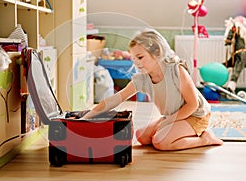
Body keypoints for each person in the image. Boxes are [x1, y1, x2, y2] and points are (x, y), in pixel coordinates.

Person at [81, 29, 223, 151]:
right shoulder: (142, 78)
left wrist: (165, 123)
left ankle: (205, 139)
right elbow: (115, 99)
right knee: (141, 137)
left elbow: (193, 105)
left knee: (161, 142)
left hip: (196, 115)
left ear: (157, 53)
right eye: (134, 58)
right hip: (173, 115)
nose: (136, 63)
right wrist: (85, 118)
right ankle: (175, 129)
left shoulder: (175, 70)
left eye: (140, 57)